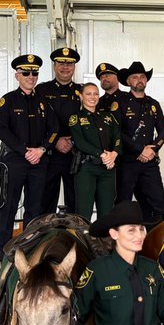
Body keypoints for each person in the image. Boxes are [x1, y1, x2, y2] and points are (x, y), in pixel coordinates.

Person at [0, 54, 50, 253]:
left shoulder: (43, 101)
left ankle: (29, 250)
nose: (31, 76)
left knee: (34, 209)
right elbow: (1, 130)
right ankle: (4, 253)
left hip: (38, 161)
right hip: (15, 160)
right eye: (26, 73)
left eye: (34, 73)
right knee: (8, 207)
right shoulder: (7, 100)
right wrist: (23, 150)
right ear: (17, 75)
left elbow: (54, 129)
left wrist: (42, 149)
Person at [112, 62, 164, 223]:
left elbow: (163, 131)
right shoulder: (120, 103)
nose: (139, 80)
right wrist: (139, 150)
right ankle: (120, 245)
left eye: (142, 77)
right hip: (127, 162)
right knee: (123, 205)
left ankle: (155, 244)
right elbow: (117, 132)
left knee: (158, 204)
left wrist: (153, 149)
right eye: (135, 77)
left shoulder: (153, 104)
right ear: (128, 81)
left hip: (149, 161)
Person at [37, 46, 82, 214]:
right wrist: (55, 141)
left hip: (75, 154)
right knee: (45, 200)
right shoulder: (41, 90)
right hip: (49, 154)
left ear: (74, 67)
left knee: (76, 200)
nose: (65, 67)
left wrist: (72, 140)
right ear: (55, 66)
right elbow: (37, 123)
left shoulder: (82, 91)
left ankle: (74, 238)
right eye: (61, 63)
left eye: (69, 64)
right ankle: (45, 238)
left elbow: (88, 122)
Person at [69, 81, 120, 222]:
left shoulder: (108, 117)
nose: (93, 97)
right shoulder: (76, 118)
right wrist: (102, 154)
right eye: (89, 94)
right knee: (84, 212)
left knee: (107, 212)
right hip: (87, 169)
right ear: (81, 96)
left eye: (96, 94)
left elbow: (118, 138)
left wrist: (113, 154)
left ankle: (104, 243)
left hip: (107, 168)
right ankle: (84, 242)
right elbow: (80, 142)